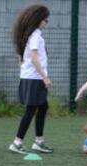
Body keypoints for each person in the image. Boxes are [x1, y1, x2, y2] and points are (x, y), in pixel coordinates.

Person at [9, 4, 54, 155]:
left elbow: (21, 56)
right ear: (39, 20)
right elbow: (34, 57)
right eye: (45, 20)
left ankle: (39, 142)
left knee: (43, 107)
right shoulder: (35, 35)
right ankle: (17, 143)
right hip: (35, 79)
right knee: (31, 110)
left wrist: (23, 67)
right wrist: (45, 77)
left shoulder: (28, 35)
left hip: (30, 77)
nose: (46, 23)